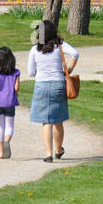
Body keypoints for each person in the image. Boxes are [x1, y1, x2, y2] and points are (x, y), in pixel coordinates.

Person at [27, 20, 78, 163]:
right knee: (58, 121)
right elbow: (75, 53)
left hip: (41, 85)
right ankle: (58, 149)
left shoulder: (34, 50)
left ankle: (48, 154)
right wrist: (68, 70)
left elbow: (31, 72)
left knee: (46, 122)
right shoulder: (59, 46)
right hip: (58, 85)